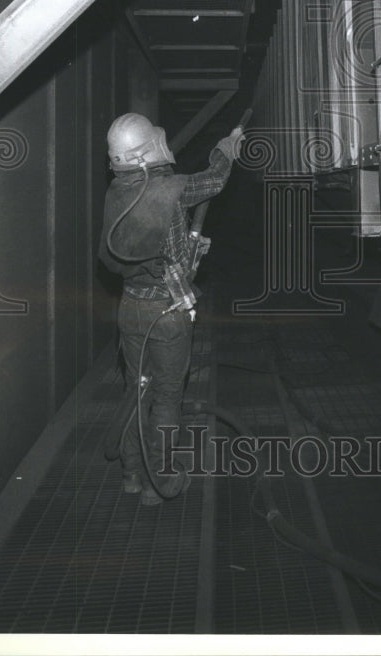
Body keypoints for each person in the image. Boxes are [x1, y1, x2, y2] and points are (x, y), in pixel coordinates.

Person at [98, 112, 243, 505]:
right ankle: (159, 482)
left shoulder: (117, 191)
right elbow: (214, 181)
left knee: (136, 390)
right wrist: (227, 148)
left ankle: (131, 473)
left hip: (130, 306)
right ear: (148, 152)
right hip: (167, 312)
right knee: (166, 395)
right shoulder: (170, 190)